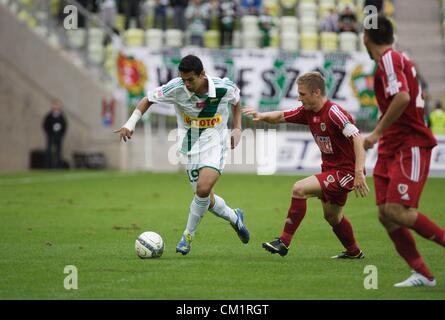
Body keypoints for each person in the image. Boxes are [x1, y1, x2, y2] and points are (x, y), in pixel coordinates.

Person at [114, 55, 250, 255]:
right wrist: (130, 123)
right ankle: (234, 217)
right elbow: (148, 99)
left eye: (190, 80)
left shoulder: (223, 87)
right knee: (204, 198)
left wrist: (237, 128)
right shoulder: (176, 87)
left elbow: (236, 101)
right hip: (190, 147)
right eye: (183, 79)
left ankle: (187, 236)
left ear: (202, 74)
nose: (186, 84)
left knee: (203, 189)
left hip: (216, 143)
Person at [243, 72, 369, 259]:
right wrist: (261, 116)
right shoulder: (307, 112)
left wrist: (359, 172)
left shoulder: (334, 113)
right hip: (331, 170)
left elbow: (358, 138)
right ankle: (354, 252)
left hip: (346, 172)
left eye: (302, 94)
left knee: (299, 189)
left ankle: (283, 242)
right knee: (332, 217)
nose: (299, 98)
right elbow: (280, 116)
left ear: (316, 92)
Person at [363, 15, 445, 287]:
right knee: (386, 214)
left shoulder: (388, 59)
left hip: (410, 144)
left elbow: (403, 97)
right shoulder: (391, 61)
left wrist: (376, 133)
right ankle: (422, 272)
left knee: (397, 211)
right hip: (393, 145)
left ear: (366, 39)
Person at [43, 99, 67, 169]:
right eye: (55, 105)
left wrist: (61, 134)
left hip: (58, 136)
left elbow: (64, 126)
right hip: (51, 135)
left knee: (58, 152)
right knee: (49, 151)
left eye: (57, 105)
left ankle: (58, 166)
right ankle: (48, 166)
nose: (56, 106)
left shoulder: (61, 116)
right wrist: (49, 133)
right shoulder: (49, 115)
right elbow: (45, 125)